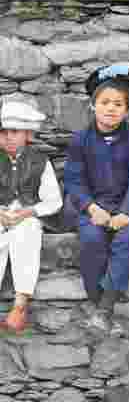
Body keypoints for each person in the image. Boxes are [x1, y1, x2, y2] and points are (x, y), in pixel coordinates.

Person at [64, 64, 129, 334]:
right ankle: (96, 301)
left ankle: (104, 309)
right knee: (91, 241)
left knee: (126, 241)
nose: (111, 108)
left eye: (118, 104)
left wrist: (127, 212)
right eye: (104, 102)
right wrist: (91, 208)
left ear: (127, 110)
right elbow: (74, 180)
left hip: (128, 208)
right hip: (93, 206)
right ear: (93, 105)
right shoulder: (81, 140)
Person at [0, 99, 62, 333]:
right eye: (3, 132)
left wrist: (27, 212)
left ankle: (20, 304)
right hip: (2, 215)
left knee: (26, 235)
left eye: (14, 132)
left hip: (27, 215)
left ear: (27, 134)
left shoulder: (39, 162)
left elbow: (53, 201)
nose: (7, 137)